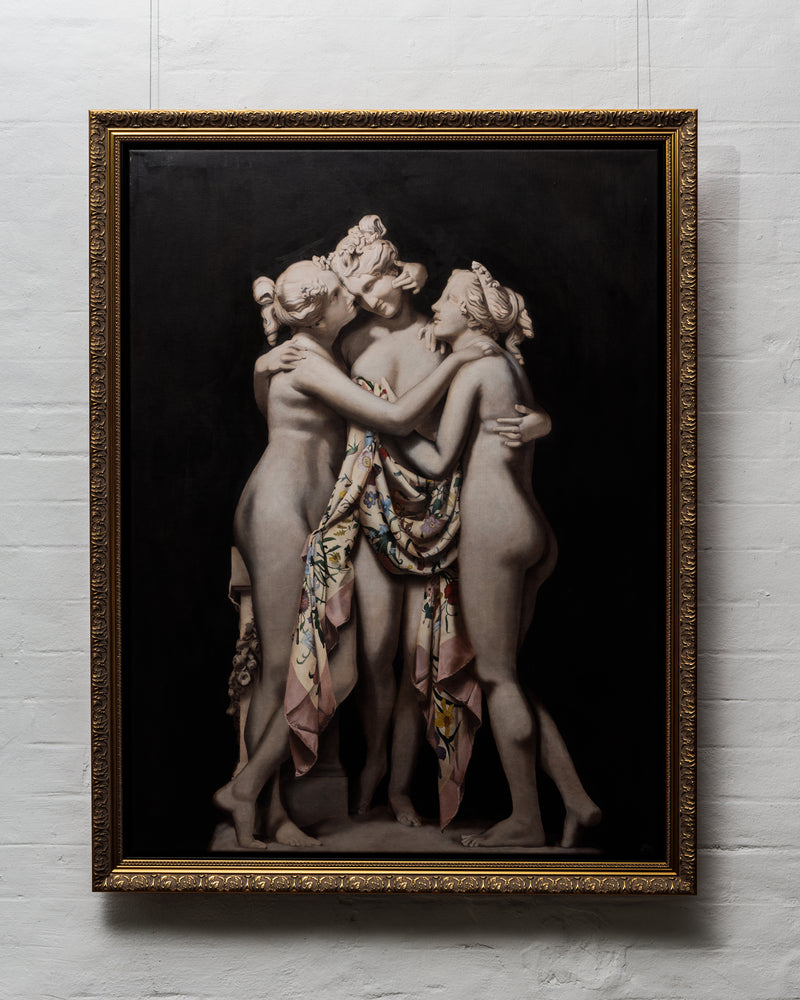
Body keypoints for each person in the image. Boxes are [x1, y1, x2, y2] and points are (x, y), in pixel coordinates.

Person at [214, 258, 493, 849]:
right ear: (320, 314)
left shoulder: (307, 354)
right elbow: (395, 417)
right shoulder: (309, 360)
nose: (353, 296)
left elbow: (271, 402)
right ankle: (254, 800)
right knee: (285, 668)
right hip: (278, 511)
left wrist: (263, 364)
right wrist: (458, 363)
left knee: (315, 668)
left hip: (294, 511)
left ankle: (261, 805)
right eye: (343, 292)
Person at [325, 215, 551, 826]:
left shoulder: (448, 336)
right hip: (376, 500)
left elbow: (493, 406)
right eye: (356, 291)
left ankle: (401, 787)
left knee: (417, 657)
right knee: (375, 653)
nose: (368, 299)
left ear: (401, 276)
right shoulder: (350, 342)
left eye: (375, 283)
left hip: (447, 510)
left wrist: (541, 421)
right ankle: (372, 766)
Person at [387, 262, 601, 847]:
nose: (436, 306)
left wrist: (387, 427)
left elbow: (437, 461)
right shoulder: (509, 365)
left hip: (494, 532)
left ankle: (527, 820)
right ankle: (577, 800)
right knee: (509, 677)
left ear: (471, 315)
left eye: (446, 298)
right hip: (530, 529)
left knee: (497, 677)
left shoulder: (477, 367)